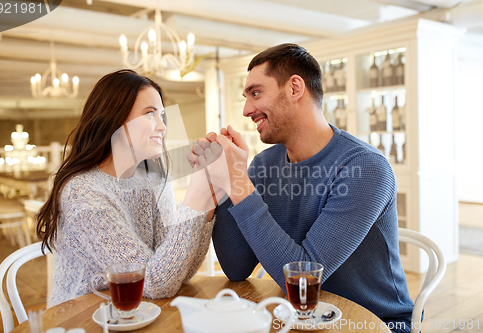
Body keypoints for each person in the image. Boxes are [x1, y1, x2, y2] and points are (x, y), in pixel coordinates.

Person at [199, 44, 414, 332]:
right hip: (297, 317)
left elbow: (303, 279)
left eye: (255, 92)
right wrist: (223, 182)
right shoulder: (265, 163)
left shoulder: (364, 168)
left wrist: (238, 181)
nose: (247, 109)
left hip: (373, 322)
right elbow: (237, 269)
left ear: (295, 88)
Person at [36, 69, 222, 307]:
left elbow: (178, 272)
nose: (163, 127)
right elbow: (153, 283)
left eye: (162, 115)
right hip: (84, 317)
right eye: (149, 114)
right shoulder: (83, 193)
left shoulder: (154, 181)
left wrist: (207, 203)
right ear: (113, 119)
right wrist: (196, 196)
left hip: (137, 312)